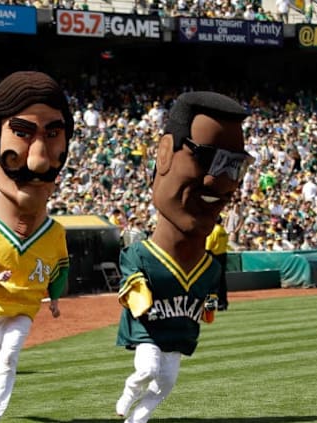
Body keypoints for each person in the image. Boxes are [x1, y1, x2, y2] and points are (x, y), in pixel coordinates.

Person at [115, 91, 252, 423]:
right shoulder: (141, 255)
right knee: (147, 370)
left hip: (177, 336)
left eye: (235, 166)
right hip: (149, 334)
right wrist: (140, 295)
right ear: (164, 154)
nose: (219, 181)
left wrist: (207, 309)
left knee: (166, 384)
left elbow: (206, 302)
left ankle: (137, 420)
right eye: (207, 158)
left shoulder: (207, 267)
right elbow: (132, 290)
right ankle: (129, 394)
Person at [0, 71, 71, 423]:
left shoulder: (55, 232)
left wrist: (54, 296)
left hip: (25, 303)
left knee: (10, 354)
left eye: (53, 134)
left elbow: (61, 267)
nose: (39, 160)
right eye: (21, 133)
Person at [205, 215, 230, 310]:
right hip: (223, 254)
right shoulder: (223, 230)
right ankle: (224, 302)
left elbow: (208, 247)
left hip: (214, 256)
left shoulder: (214, 231)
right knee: (222, 281)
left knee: (213, 281)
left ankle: (215, 302)